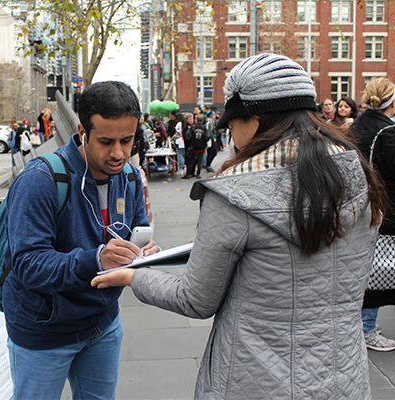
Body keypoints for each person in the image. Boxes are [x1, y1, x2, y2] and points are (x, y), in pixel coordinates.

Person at [92, 53, 383, 399]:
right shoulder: (357, 172)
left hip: (257, 379)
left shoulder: (236, 192)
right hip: (344, 377)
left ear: (255, 119)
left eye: (233, 124)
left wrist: (133, 276)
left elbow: (195, 300)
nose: (231, 134)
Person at [3, 81, 159, 400]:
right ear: (82, 131)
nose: (118, 153)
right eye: (106, 141)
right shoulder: (41, 180)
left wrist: (145, 253)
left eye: (126, 140)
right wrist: (96, 259)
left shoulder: (129, 177)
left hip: (103, 324)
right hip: (43, 330)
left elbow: (139, 228)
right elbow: (27, 265)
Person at [349, 77, 395, 351]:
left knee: (364, 268)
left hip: (357, 206)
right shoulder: (387, 133)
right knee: (378, 271)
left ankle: (360, 328)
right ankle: (366, 330)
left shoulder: (356, 126)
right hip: (384, 208)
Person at [183, 113, 209, 179]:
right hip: (202, 146)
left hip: (194, 146)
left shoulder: (193, 128)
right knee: (199, 160)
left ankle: (189, 173)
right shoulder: (204, 128)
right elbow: (207, 136)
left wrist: (190, 142)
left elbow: (188, 136)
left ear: (196, 119)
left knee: (192, 160)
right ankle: (198, 174)